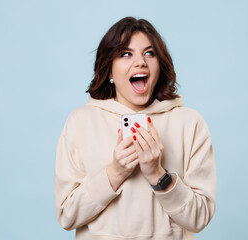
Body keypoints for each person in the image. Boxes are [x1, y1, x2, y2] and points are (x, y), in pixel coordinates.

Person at [54, 17, 216, 240]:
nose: (140, 62)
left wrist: (158, 176)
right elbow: (67, 215)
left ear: (160, 65)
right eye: (125, 54)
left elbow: (200, 217)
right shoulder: (80, 122)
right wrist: (115, 173)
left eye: (149, 53)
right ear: (109, 71)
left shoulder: (189, 123)